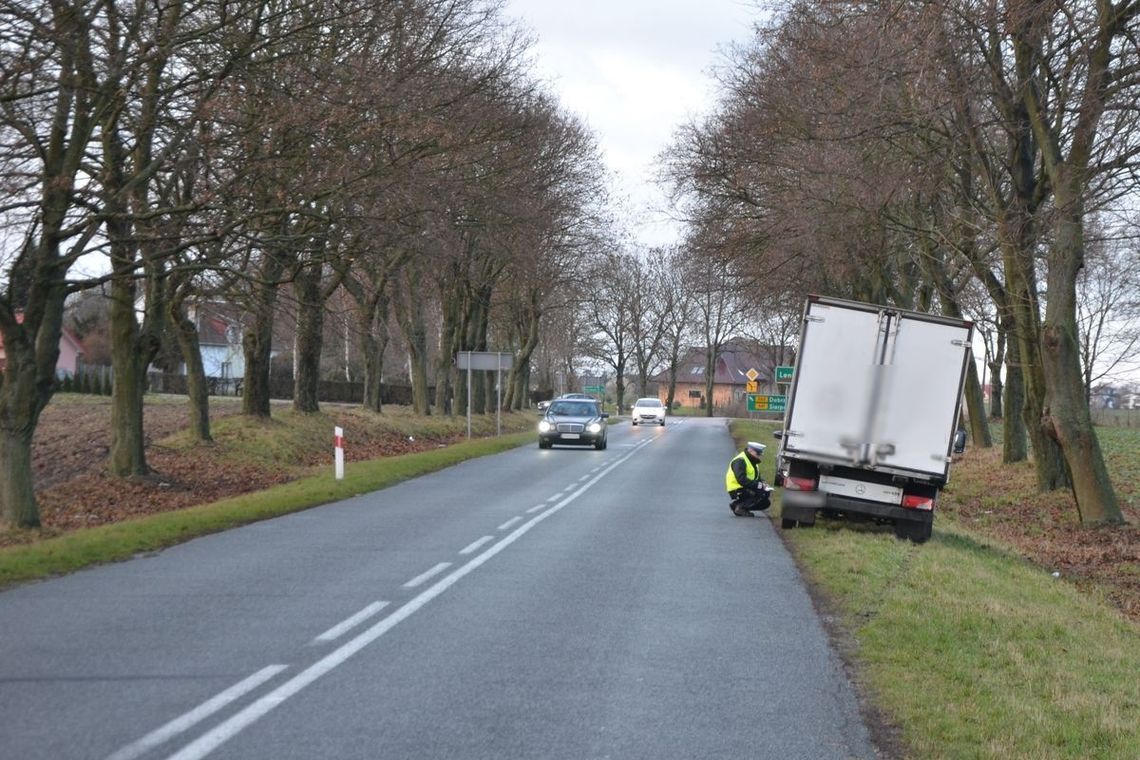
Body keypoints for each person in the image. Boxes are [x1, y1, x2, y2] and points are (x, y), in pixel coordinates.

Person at [725, 441, 771, 516]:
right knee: (761, 493)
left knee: (766, 501)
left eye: (760, 454)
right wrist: (759, 485)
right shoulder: (740, 460)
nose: (759, 456)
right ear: (750, 450)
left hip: (745, 486)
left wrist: (763, 483)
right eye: (758, 453)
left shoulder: (752, 461)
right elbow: (741, 479)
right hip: (737, 488)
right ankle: (740, 507)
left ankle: (737, 505)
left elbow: (756, 477)